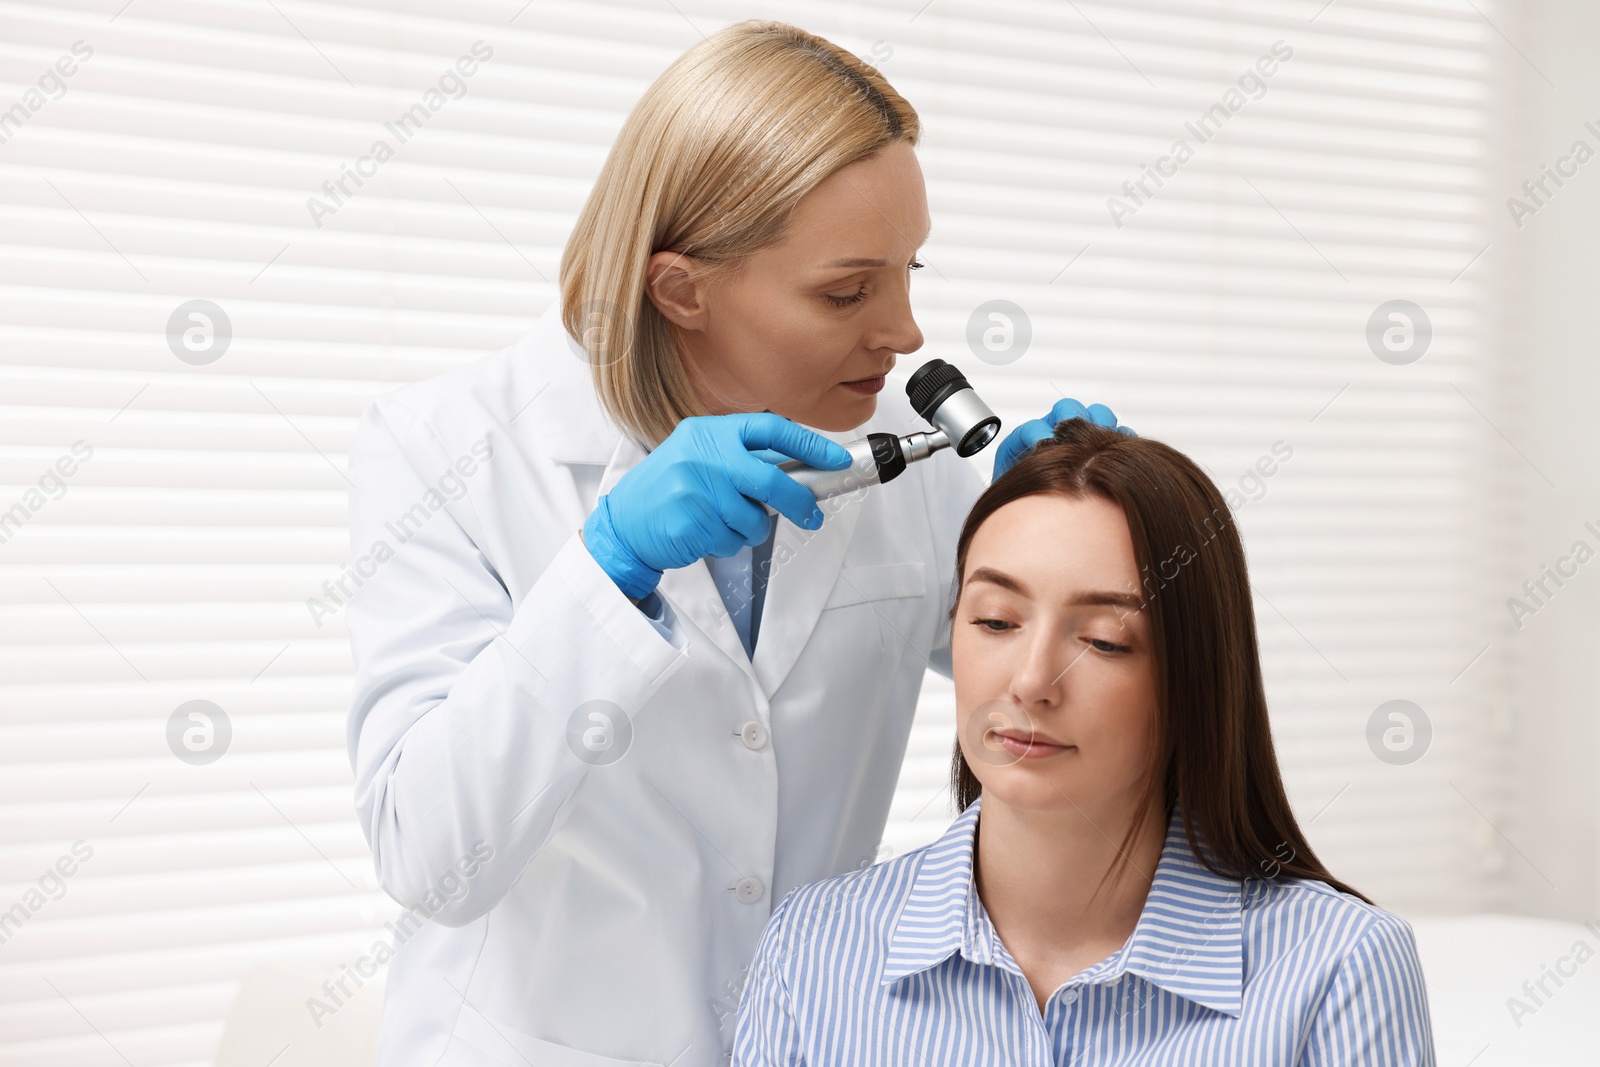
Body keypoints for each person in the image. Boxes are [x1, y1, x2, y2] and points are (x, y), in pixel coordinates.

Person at [343, 20, 1126, 1066]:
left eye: (908, 270)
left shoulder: (898, 450)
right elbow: (432, 856)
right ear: (682, 288)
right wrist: (606, 569)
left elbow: (1033, 691)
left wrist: (1073, 553)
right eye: (846, 290)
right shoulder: (451, 451)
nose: (903, 331)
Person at [732, 418, 1437, 1066]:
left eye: (1104, 640)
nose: (1033, 681)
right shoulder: (815, 947)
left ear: (1195, 675)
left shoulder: (1338, 967)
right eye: (996, 621)